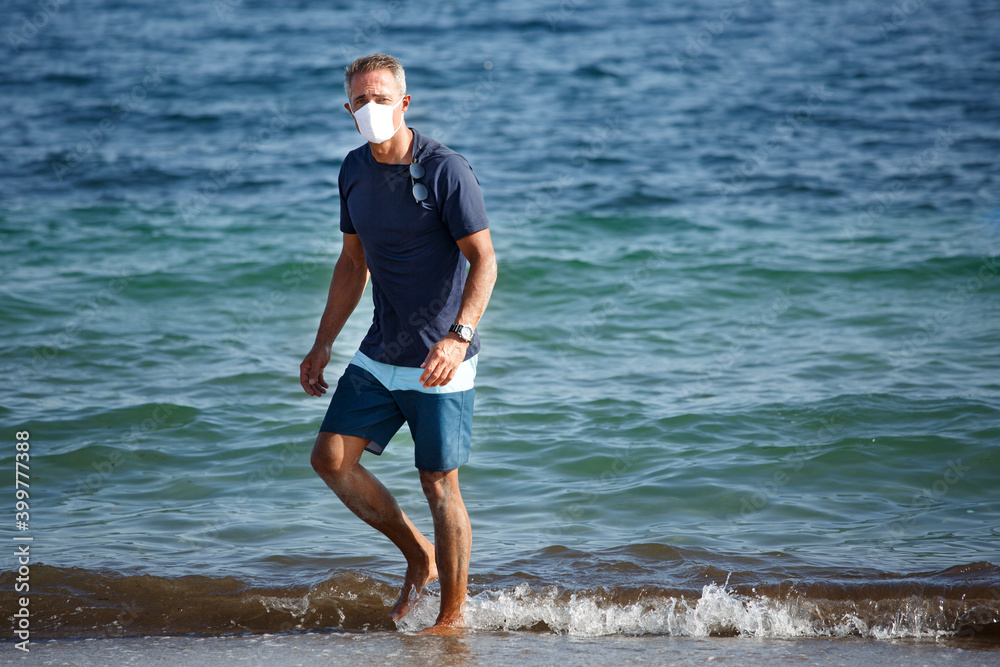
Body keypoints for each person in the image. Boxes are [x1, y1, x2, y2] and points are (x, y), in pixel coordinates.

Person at [299, 53, 496, 632]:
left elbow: (483, 260)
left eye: (381, 98)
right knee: (331, 458)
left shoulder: (444, 169)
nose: (371, 109)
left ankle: (452, 619)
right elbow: (352, 261)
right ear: (347, 110)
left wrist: (458, 338)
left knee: (439, 483)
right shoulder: (353, 170)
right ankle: (420, 558)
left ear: (405, 102)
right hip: (382, 348)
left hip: (442, 357)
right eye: (360, 101)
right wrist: (322, 344)